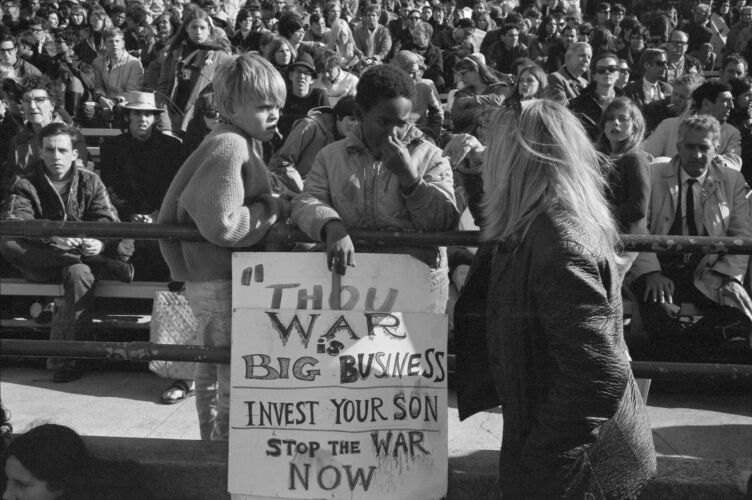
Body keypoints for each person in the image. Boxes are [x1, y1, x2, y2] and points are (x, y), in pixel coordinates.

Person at [454, 99, 656, 499]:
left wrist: (540, 459)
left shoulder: (559, 243)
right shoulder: (539, 224)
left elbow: (596, 377)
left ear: (518, 160)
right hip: (561, 447)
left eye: (493, 149)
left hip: (578, 464)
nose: (485, 156)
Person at [158, 54, 290, 441]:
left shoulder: (237, 140)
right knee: (228, 366)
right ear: (231, 107)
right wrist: (272, 208)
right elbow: (224, 226)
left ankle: (214, 445)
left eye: (278, 106)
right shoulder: (231, 145)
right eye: (265, 106)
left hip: (212, 275)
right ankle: (225, 449)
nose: (275, 115)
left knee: (213, 362)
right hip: (218, 277)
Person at [291, 64, 459, 312]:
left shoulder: (430, 156)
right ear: (360, 113)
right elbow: (308, 200)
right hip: (353, 287)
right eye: (382, 121)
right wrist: (330, 226)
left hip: (416, 287)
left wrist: (411, 180)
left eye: (401, 123)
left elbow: (445, 221)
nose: (393, 132)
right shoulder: (331, 157)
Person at [1, 123, 133, 383]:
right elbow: (19, 221)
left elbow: (109, 220)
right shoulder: (25, 182)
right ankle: (95, 261)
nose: (56, 156)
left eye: (63, 150)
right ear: (40, 152)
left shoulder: (89, 180)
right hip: (40, 259)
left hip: (77, 258)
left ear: (75, 153)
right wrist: (60, 240)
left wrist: (99, 243)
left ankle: (70, 359)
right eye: (49, 150)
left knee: (80, 272)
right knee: (8, 244)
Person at [629, 114, 752, 358]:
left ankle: (677, 357)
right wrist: (651, 273)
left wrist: (728, 277)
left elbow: (741, 235)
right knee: (659, 315)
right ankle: (687, 361)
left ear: (716, 149)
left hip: (710, 273)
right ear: (678, 147)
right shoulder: (653, 174)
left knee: (738, 320)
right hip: (661, 270)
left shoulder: (732, 180)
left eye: (704, 148)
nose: (696, 154)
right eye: (690, 147)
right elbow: (638, 229)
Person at [157, 8, 231, 134]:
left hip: (203, 123)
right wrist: (165, 125)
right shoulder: (174, 53)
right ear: (186, 28)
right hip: (172, 120)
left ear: (209, 29)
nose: (198, 32)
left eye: (202, 28)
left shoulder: (221, 57)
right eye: (194, 27)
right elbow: (162, 90)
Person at [645, 81, 742, 170]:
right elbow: (646, 155)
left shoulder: (732, 133)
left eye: (731, 101)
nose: (731, 106)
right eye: (725, 100)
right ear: (706, 103)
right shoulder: (669, 125)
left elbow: (734, 161)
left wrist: (721, 162)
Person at [269, 95, 357, 193]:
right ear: (338, 116)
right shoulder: (309, 126)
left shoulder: (354, 142)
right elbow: (281, 163)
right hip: (290, 189)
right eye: (352, 119)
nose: (356, 125)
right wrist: (304, 192)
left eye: (360, 121)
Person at [597, 97, 651, 244]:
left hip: (628, 243)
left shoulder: (635, 159)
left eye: (623, 119)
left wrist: (597, 214)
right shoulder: (598, 159)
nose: (615, 123)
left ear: (635, 126)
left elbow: (637, 208)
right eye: (610, 118)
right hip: (602, 237)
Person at [569, 51, 624, 141]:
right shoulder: (577, 104)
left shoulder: (626, 104)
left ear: (617, 74)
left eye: (612, 69)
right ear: (594, 75)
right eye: (601, 70)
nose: (607, 72)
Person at [546, 41, 591, 105]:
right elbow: (560, 107)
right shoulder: (554, 78)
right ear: (568, 57)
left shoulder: (586, 83)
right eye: (582, 55)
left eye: (589, 57)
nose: (586, 60)